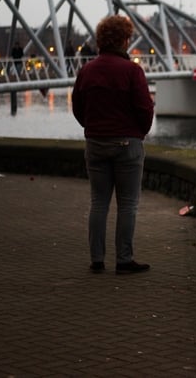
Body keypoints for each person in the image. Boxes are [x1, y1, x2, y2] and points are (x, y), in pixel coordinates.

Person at [71, 15, 154, 275]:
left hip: (95, 144)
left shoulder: (87, 70)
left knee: (99, 202)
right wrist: (138, 133)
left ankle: (97, 259)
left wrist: (92, 128)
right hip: (126, 144)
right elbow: (145, 109)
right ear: (124, 39)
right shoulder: (132, 71)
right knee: (127, 204)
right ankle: (124, 260)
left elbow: (77, 107)